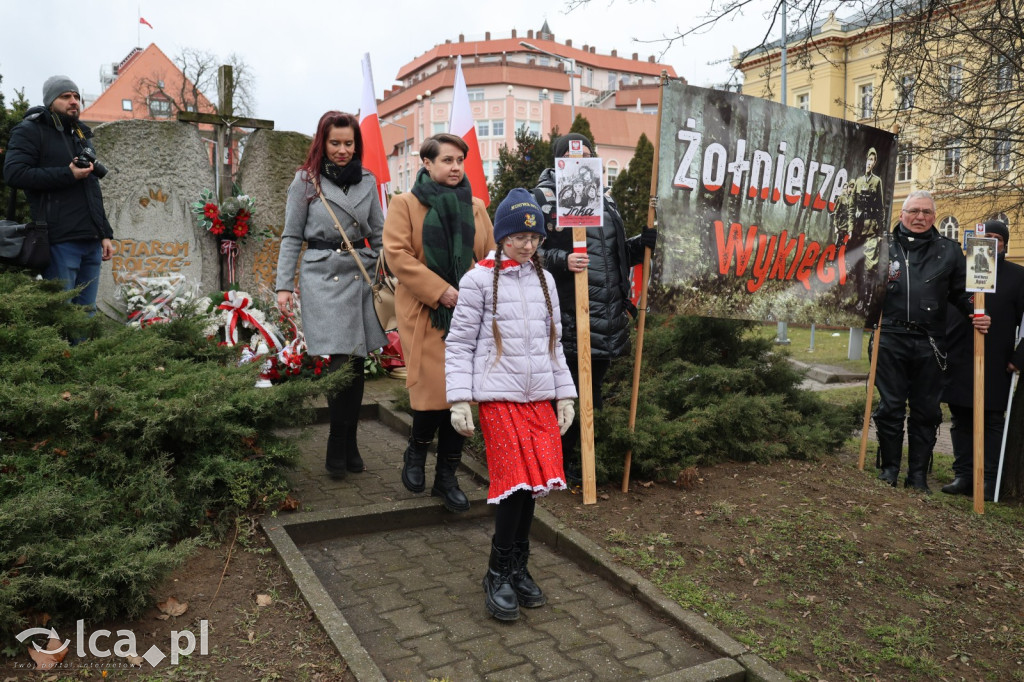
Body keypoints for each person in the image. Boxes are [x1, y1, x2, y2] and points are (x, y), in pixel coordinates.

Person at [444, 188, 577, 621]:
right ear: (502, 235)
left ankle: (519, 566)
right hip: (497, 398)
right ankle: (497, 572)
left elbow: (555, 344)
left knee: (533, 484)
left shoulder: (545, 280)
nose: (528, 244)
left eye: (535, 237)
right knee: (514, 483)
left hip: (538, 398)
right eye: (520, 236)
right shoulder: (477, 280)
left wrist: (566, 394)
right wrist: (460, 399)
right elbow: (460, 344)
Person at [532, 133, 657, 483]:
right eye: (573, 157)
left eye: (587, 156)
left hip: (605, 317)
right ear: (559, 162)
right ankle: (557, 463)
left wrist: (639, 246)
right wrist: (562, 258)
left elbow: (612, 258)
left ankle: (583, 459)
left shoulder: (607, 200)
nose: (581, 162)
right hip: (569, 316)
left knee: (592, 394)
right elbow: (525, 251)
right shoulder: (543, 198)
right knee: (565, 393)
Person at [383, 133, 495, 512]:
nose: (455, 167)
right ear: (427, 163)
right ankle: (415, 452)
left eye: (460, 160)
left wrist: (476, 286)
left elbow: (490, 255)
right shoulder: (405, 204)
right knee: (433, 394)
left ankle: (446, 477)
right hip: (425, 311)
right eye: (447, 160)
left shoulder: (477, 207)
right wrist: (440, 290)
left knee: (460, 394)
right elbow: (396, 255)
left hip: (467, 314)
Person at [275, 111, 386, 480]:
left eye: (348, 143)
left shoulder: (368, 181)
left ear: (357, 145)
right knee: (341, 362)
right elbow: (292, 236)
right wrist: (283, 286)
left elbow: (381, 234)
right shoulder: (305, 181)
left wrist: (392, 272)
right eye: (335, 143)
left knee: (355, 364)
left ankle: (348, 444)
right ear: (322, 143)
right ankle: (337, 444)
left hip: (361, 271)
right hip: (323, 272)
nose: (342, 150)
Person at [873, 190, 990, 493]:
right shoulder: (882, 245)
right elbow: (860, 283)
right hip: (889, 337)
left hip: (931, 344)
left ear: (934, 217)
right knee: (891, 406)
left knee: (926, 410)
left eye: (926, 212)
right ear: (902, 214)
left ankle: (918, 476)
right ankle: (889, 471)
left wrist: (977, 313)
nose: (920, 217)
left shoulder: (949, 251)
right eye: (914, 211)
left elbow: (964, 293)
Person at [3, 75, 113, 311]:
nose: (74, 101)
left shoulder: (81, 134)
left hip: (91, 241)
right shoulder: (30, 130)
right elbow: (14, 173)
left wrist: (104, 233)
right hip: (59, 240)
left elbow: (91, 188)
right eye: (65, 96)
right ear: (50, 101)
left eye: (76, 96)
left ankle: (84, 349)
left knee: (87, 312)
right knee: (63, 313)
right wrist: (67, 174)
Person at [941, 220, 1024, 500]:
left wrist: (1019, 357)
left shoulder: (1017, 276)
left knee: (991, 419)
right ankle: (964, 475)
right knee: (960, 418)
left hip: (996, 360)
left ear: (1004, 244)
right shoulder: (961, 272)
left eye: (995, 238)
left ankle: (988, 479)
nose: (989, 242)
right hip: (960, 355)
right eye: (984, 237)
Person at [852, 148, 885, 309]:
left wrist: (880, 232)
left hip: (872, 229)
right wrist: (851, 227)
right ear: (865, 161)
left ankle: (868, 299)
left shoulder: (877, 181)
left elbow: (880, 207)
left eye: (873, 160)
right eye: (868, 159)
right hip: (858, 229)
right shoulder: (858, 181)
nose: (870, 163)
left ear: (875, 163)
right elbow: (852, 206)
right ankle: (860, 298)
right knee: (858, 266)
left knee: (870, 266)